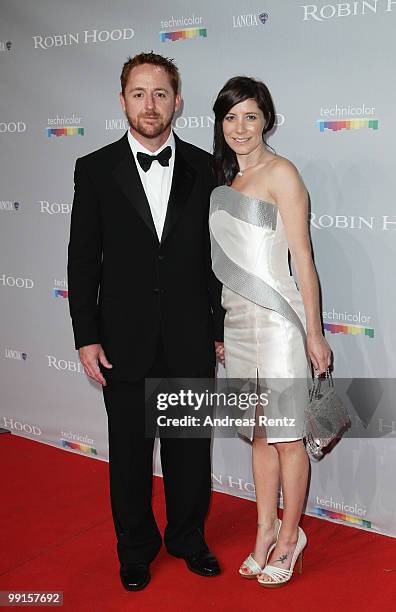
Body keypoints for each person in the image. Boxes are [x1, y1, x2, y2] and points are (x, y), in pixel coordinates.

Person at [67, 52, 225, 592]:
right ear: (122, 101)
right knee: (130, 459)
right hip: (121, 340)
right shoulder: (93, 169)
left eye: (161, 94)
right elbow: (82, 258)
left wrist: (221, 329)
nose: (150, 104)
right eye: (139, 93)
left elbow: (220, 260)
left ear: (178, 101)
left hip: (190, 337)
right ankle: (135, 548)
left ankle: (187, 538)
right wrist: (85, 334)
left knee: (188, 452)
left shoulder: (209, 169)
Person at [209, 76, 332, 587]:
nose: (240, 127)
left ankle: (290, 538)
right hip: (237, 326)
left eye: (250, 116)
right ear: (221, 122)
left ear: (267, 121)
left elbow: (303, 258)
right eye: (231, 117)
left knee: (287, 439)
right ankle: (264, 531)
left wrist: (314, 332)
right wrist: (220, 328)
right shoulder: (223, 185)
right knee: (259, 436)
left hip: (280, 325)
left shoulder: (283, 173)